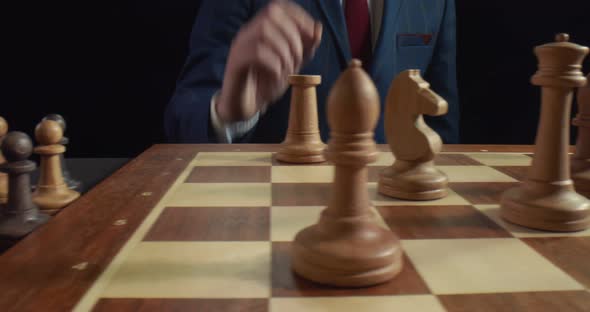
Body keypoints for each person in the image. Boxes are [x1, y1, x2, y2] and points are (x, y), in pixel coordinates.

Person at [165, 0, 459, 144]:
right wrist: (229, 113)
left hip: (399, 216)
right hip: (272, 213)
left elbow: (442, 121)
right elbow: (184, 117)